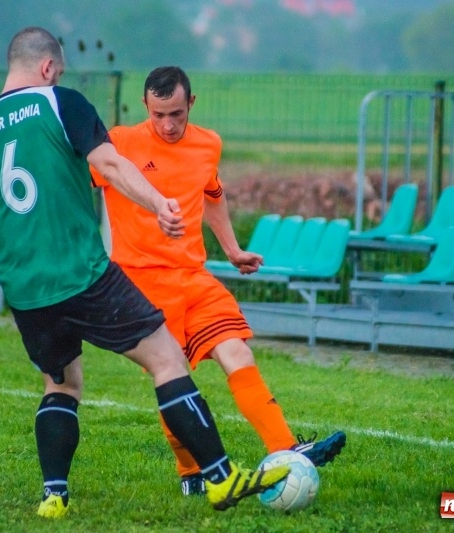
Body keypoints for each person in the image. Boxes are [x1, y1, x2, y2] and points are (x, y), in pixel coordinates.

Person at [0, 27, 289, 519]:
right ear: (48, 67)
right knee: (167, 361)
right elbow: (111, 167)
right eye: (59, 71)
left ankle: (54, 496)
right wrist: (159, 203)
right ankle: (220, 477)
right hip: (85, 274)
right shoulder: (60, 102)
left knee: (62, 386)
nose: (59, 77)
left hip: (25, 289)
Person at [90, 66, 346, 496]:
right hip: (143, 283)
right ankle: (190, 471)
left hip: (194, 276)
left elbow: (212, 193)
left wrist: (232, 249)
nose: (168, 125)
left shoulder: (208, 144)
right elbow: (78, 183)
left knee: (237, 350)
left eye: (176, 114)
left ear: (191, 103)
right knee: (173, 376)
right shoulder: (119, 144)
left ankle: (286, 449)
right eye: (158, 115)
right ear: (145, 106)